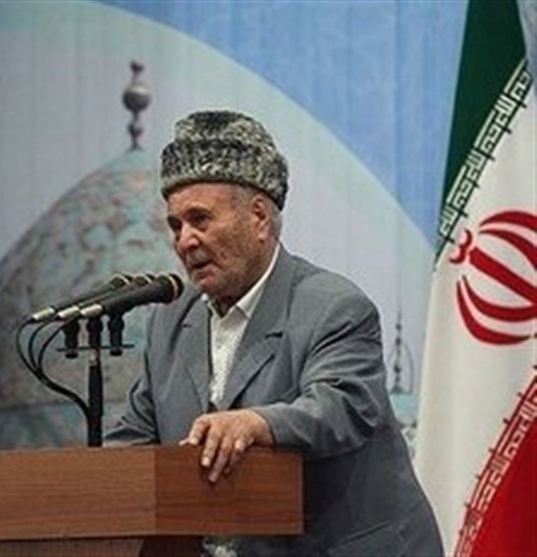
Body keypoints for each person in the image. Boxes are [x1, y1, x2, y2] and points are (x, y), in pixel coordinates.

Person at [106, 110, 443, 556]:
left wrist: (256, 422)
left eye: (200, 220)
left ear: (260, 218)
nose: (185, 240)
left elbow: (341, 406)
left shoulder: (333, 306)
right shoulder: (170, 321)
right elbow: (135, 436)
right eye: (176, 225)